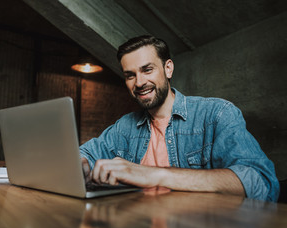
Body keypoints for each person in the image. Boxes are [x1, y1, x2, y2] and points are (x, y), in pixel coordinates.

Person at [79, 35, 279, 202]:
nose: (139, 82)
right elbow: (83, 155)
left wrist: (155, 175)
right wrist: (79, 163)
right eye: (130, 75)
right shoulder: (125, 127)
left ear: (168, 69)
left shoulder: (217, 113)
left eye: (147, 70)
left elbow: (261, 183)